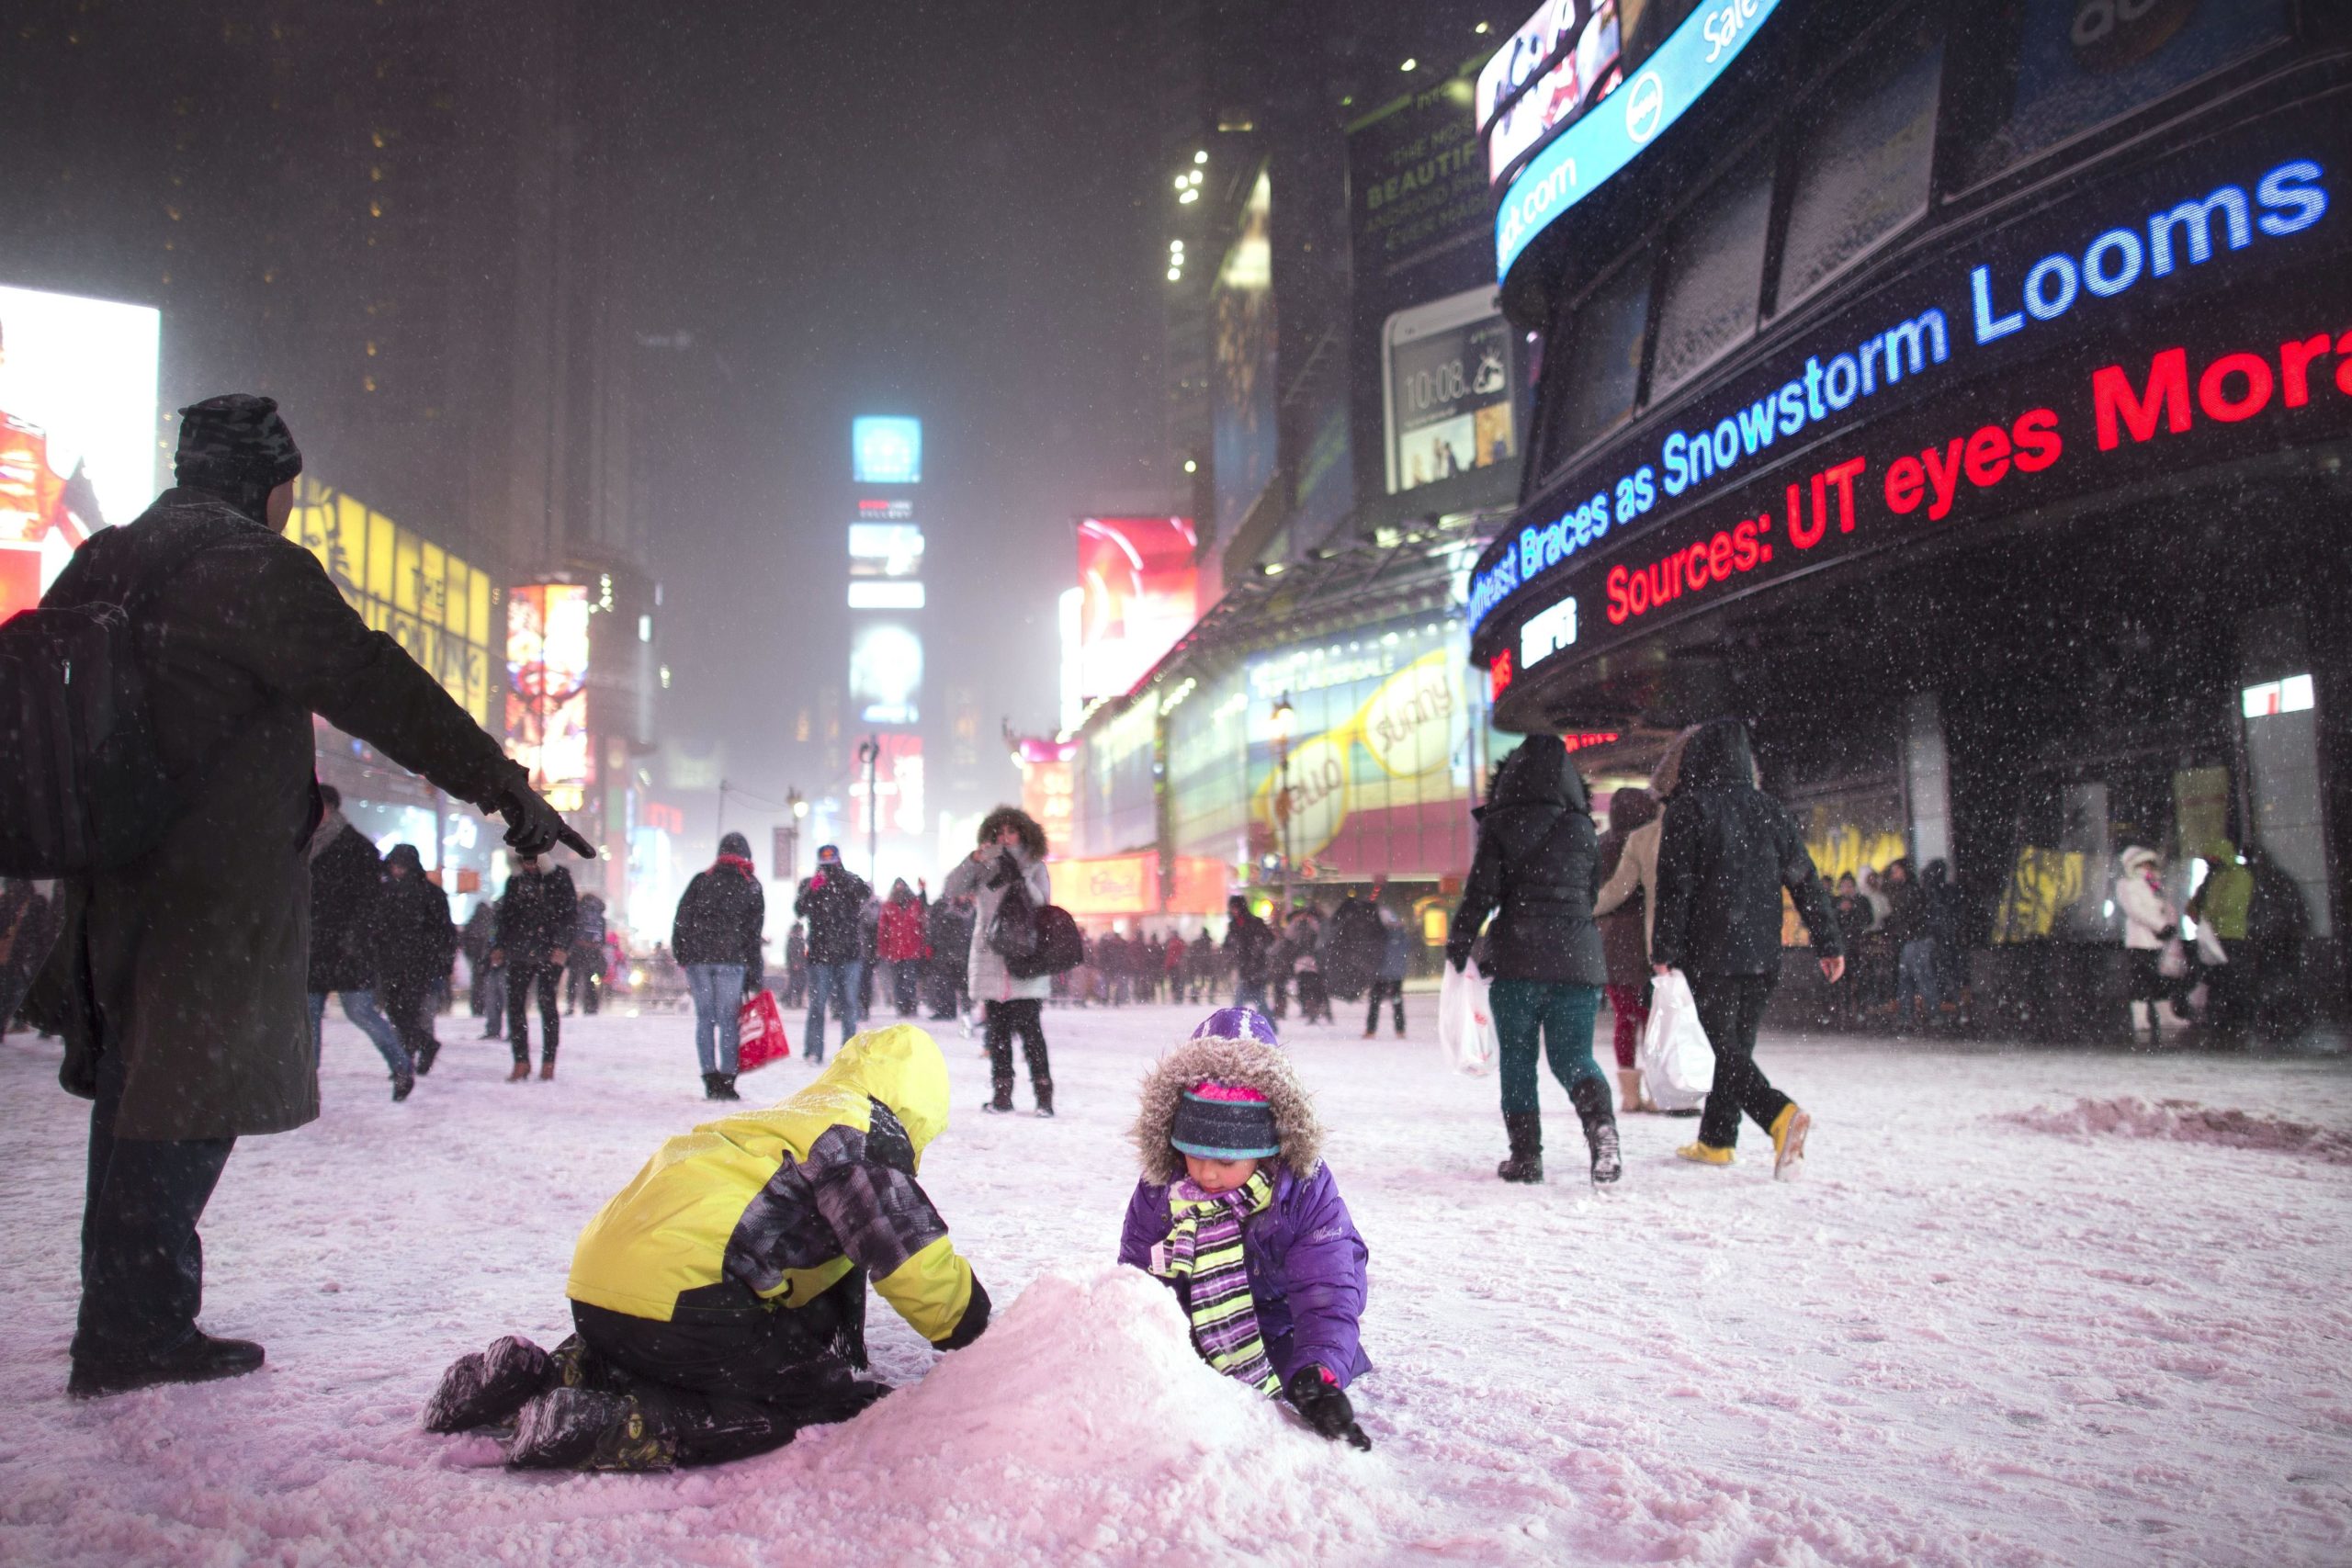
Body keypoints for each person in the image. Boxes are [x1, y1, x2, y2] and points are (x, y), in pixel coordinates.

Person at [26, 393, 583, 1401]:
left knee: (134, 1093)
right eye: (286, 485)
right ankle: (134, 1329)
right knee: (184, 1096)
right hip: (208, 883)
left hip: (108, 879)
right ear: (261, 481)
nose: (289, 504)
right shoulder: (252, 570)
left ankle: (123, 1314)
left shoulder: (105, 555)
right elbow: (375, 680)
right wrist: (500, 781)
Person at [423, 1024, 992, 1471]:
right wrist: (977, 1330)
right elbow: (907, 1256)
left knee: (664, 1351)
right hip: (685, 1304)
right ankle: (603, 1426)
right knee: (801, 1397)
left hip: (601, 1293)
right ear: (921, 1108)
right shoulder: (857, 1143)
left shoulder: (787, 1120)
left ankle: (541, 1375)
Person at [1117, 1009, 1371, 1450]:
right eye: (1193, 1155)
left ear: (1266, 1150)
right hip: (1199, 1319)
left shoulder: (1302, 1192)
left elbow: (1326, 1291)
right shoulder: (1163, 1190)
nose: (1206, 1174)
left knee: (1295, 1370)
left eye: (1225, 1162)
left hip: (1285, 1322)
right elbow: (1139, 1280)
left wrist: (1320, 1373)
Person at [1649, 718, 1844, 1178]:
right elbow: (1804, 880)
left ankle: (1779, 1115)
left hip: (1709, 952)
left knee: (1723, 1052)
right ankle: (1717, 1139)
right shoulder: (1771, 810)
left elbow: (1674, 888)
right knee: (1735, 1047)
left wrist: (1664, 949)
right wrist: (1828, 941)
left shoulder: (1689, 810)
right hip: (1762, 954)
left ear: (1697, 760)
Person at [1448, 733, 1619, 1185]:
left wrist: (1460, 941)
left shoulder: (1502, 823)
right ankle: (1602, 1129)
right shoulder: (1584, 828)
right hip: (1579, 961)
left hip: (1519, 959)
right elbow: (1591, 892)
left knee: (1520, 1060)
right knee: (1575, 1058)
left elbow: (1480, 893)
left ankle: (1526, 1158)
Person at [941, 807, 1057, 1115]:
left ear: (1023, 834)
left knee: (1032, 1032)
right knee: (999, 1032)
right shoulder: (985, 866)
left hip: (1025, 959)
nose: (1004, 838)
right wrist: (974, 860)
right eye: (999, 833)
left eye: (1011, 832)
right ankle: (1001, 1095)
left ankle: (1044, 1097)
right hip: (992, 958)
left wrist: (1018, 875)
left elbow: (1042, 903)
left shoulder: (1035, 866)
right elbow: (951, 888)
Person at [303, 785, 414, 1101]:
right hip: (315, 946)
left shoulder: (357, 847)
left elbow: (373, 901)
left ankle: (402, 1064)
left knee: (360, 1012)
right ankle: (307, 1086)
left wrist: (356, 936)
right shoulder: (304, 845)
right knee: (308, 1018)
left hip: (348, 948)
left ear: (331, 809)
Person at [673, 831, 765, 1100]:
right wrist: (754, 973)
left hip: (699, 960)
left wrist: (683, 953)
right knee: (728, 1021)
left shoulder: (702, 881)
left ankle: (709, 1078)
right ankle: (727, 1079)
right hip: (731, 960)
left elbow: (682, 918)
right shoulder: (750, 885)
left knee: (705, 1019)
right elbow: (752, 934)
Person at [1592, 786, 1661, 1111]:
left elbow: (1598, 893)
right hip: (1648, 941)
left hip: (1609, 944)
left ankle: (1630, 1094)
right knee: (1653, 1017)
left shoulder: (1601, 844)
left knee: (1624, 1016)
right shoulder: (1648, 842)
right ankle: (1657, 1086)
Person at [494, 848, 578, 1081]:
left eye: (532, 861)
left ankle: (548, 1062)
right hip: (520, 949)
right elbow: (505, 916)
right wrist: (500, 945)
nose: (529, 866)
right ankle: (521, 1061)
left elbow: (569, 915)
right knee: (515, 1004)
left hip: (550, 950)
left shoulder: (559, 877)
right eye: (524, 862)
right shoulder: (515, 881)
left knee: (546, 1002)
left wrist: (561, 945)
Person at [374, 844, 456, 1077]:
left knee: (405, 1012)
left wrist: (441, 959)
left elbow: (443, 931)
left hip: (414, 963)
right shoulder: (391, 891)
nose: (396, 870)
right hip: (401, 962)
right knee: (398, 1012)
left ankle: (408, 1057)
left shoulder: (420, 893)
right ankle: (419, 1048)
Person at [794, 845, 870, 1065]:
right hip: (821, 954)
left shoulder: (850, 881)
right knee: (818, 1004)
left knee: (848, 1003)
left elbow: (864, 892)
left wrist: (841, 878)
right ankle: (814, 1050)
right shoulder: (812, 884)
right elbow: (799, 910)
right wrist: (811, 889)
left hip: (847, 953)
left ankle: (848, 1051)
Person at [2114, 845, 2186, 1047]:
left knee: (2158, 980)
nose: (2148, 866)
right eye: (2144, 863)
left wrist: (2169, 925)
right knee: (2140, 980)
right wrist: (2160, 926)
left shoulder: (2153, 884)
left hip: (2157, 942)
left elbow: (2166, 907)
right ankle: (2140, 1018)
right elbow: (2136, 911)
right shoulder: (2129, 884)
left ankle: (2165, 1016)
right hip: (2140, 941)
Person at [2185, 839, 2253, 1043]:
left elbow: (2232, 904)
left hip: (2230, 934)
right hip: (2214, 935)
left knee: (2227, 977)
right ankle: (2223, 1018)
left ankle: (2231, 1018)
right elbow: (2197, 903)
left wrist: (2206, 916)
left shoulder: (2237, 875)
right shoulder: (2214, 877)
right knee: (2218, 977)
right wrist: (2200, 915)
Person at [876, 879, 930, 1019]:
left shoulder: (914, 904)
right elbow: (883, 929)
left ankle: (909, 1006)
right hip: (897, 950)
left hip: (910, 949)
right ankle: (902, 1006)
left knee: (909, 980)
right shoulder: (889, 906)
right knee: (899, 981)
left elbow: (922, 924)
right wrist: (883, 949)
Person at [1223, 896, 1274, 1013]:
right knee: (1256, 1000)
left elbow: (1269, 938)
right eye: (1232, 908)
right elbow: (1227, 944)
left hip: (1257, 966)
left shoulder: (1256, 922)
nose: (1233, 911)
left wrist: (1258, 947)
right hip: (1244, 966)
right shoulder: (1233, 925)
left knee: (1251, 999)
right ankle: (1269, 1026)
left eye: (1235, 907)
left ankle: (1238, 1024)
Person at [1366, 901, 1409, 1038]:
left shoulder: (1379, 936)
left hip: (1381, 974)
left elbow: (1374, 953)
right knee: (1397, 1003)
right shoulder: (1402, 934)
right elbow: (1406, 950)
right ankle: (1400, 1030)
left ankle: (1370, 1030)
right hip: (1396, 975)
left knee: (1374, 1003)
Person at [567, 893, 608, 1016]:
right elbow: (603, 938)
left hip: (577, 949)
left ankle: (571, 1005)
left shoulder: (578, 911)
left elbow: (571, 930)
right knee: (590, 978)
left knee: (573, 978)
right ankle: (591, 1006)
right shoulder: (599, 916)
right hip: (593, 950)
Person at [461, 902, 500, 1028]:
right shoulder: (491, 922)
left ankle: (478, 1009)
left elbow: (466, 939)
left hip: (480, 960)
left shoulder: (474, 922)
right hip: (491, 960)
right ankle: (486, 1013)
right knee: (493, 990)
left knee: (480, 985)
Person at [782, 920, 809, 1010]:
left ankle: (794, 1001)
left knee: (798, 984)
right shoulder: (795, 939)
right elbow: (792, 953)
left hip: (800, 965)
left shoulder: (797, 939)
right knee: (794, 984)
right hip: (796, 965)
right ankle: (791, 1001)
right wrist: (795, 963)